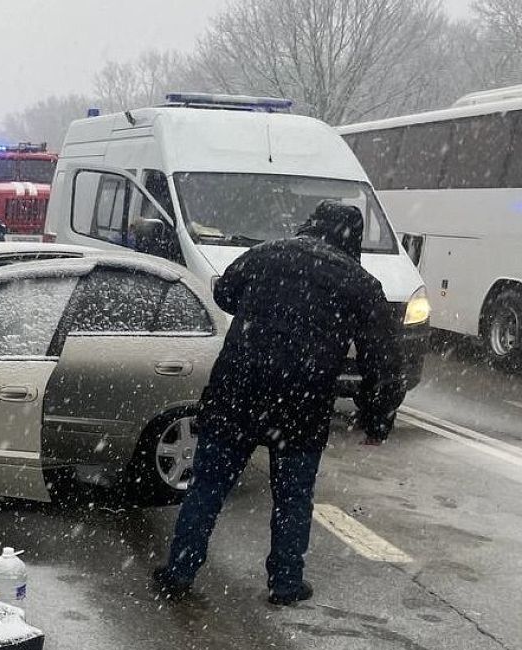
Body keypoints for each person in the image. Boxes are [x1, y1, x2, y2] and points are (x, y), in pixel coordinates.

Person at [152, 200, 406, 606]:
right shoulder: (359, 284)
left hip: (237, 393)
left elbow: (225, 293)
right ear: (352, 239)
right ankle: (285, 584)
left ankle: (179, 572)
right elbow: (385, 360)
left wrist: (265, 310)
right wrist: (377, 419)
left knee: (209, 487)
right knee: (292, 499)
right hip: (302, 404)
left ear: (310, 224)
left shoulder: (265, 254)